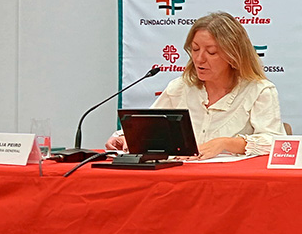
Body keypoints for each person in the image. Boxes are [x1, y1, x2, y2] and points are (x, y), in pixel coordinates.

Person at [106, 11, 285, 159]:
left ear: (233, 56)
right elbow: (148, 127)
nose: (199, 59)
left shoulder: (259, 90)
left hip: (233, 185)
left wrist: (224, 143)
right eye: (195, 49)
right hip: (179, 180)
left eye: (211, 52)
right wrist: (124, 139)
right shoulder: (180, 87)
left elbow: (276, 143)